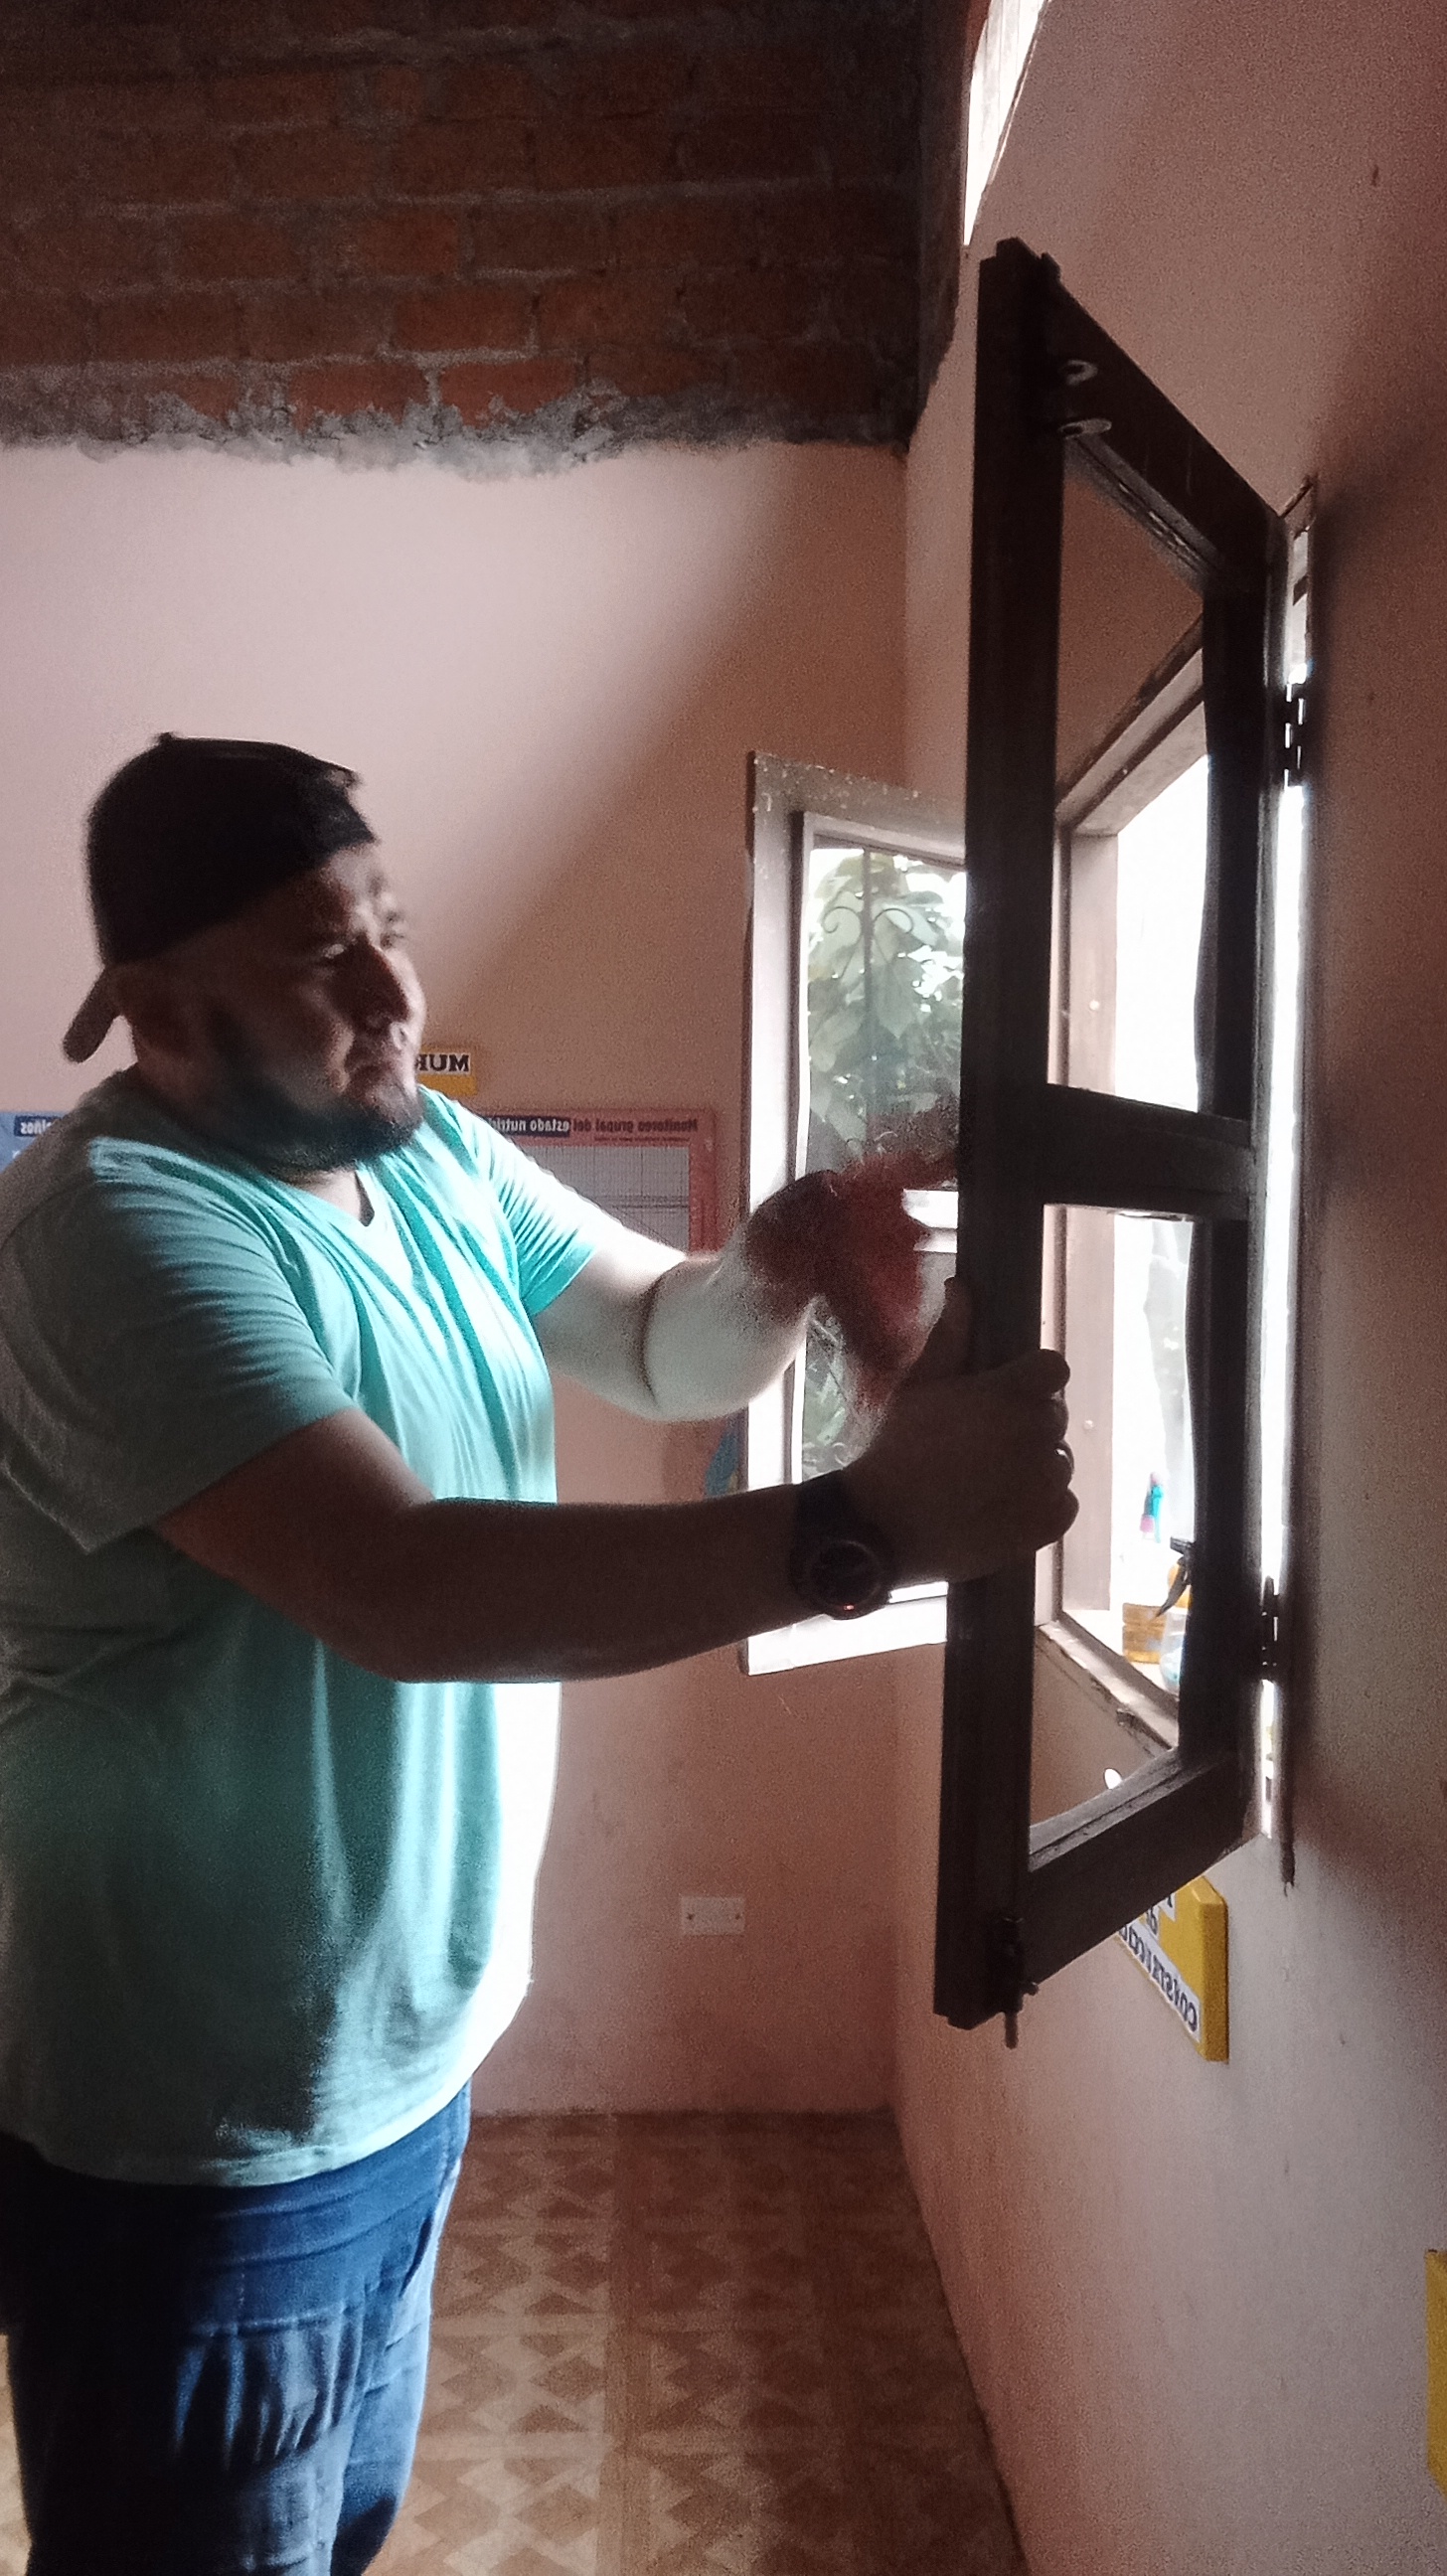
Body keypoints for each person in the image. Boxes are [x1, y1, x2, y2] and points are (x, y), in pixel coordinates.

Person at [0, 735, 1074, 2575]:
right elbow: (403, 1589)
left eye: (392, 927)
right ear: (160, 1012)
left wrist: (793, 1251)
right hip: (201, 2142)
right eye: (320, 954)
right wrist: (866, 1532)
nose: (393, 992)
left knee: (333, 2536)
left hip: (404, 2071)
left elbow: (660, 1344)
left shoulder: (413, 1146)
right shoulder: (110, 1233)